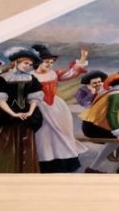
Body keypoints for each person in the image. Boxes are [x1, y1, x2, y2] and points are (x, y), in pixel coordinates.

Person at [31, 44, 89, 173]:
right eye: (46, 61)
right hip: (38, 107)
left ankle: (64, 163)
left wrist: (82, 59)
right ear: (38, 61)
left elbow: (70, 73)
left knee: (62, 135)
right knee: (43, 136)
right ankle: (45, 164)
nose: (50, 64)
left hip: (57, 109)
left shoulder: (54, 74)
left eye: (52, 62)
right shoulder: (30, 76)